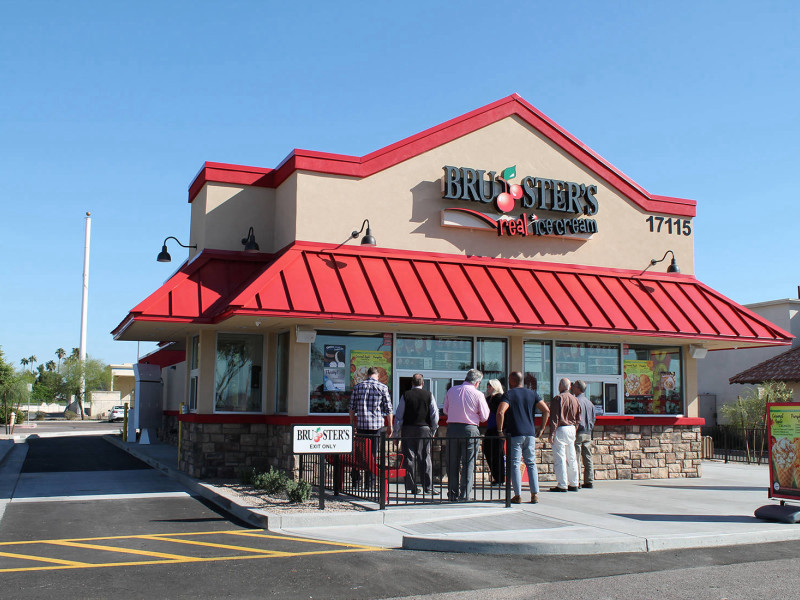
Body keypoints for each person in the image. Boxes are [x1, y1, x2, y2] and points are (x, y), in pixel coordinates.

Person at [496, 371, 550, 504]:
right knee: (531, 463)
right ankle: (534, 494)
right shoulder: (532, 393)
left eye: (509, 379)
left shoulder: (509, 394)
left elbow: (501, 411)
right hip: (530, 433)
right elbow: (546, 410)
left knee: (514, 463)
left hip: (515, 433)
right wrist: (542, 428)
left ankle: (518, 495)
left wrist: (500, 430)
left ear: (512, 380)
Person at [443, 369, 490, 501]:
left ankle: (452, 493)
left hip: (452, 428)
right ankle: (464, 494)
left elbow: (446, 410)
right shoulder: (478, 394)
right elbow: (485, 416)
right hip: (470, 429)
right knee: (468, 463)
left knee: (452, 462)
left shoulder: (452, 390)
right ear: (477, 382)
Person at [349, 366, 393, 488]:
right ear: (377, 376)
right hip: (376, 426)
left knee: (358, 454)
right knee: (372, 454)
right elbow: (388, 409)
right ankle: (370, 482)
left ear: (366, 375)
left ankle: (356, 481)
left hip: (361, 425)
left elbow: (352, 408)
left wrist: (352, 423)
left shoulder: (357, 387)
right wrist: (390, 426)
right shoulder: (383, 388)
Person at [395, 373, 438, 494]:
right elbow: (434, 415)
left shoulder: (406, 395)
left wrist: (396, 433)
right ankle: (428, 487)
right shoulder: (428, 395)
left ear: (412, 383)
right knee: (425, 457)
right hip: (424, 429)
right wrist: (433, 430)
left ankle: (412, 487)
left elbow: (399, 415)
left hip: (408, 429)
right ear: (423, 383)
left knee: (409, 458)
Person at [547, 377, 581, 492]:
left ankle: (562, 484)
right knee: (572, 457)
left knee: (560, 458)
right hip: (571, 429)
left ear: (561, 386)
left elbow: (554, 418)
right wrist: (574, 428)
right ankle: (574, 483)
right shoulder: (575, 399)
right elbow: (578, 418)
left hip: (561, 429)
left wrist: (552, 433)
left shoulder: (558, 398)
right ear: (569, 387)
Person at [572, 379, 596, 488]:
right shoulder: (589, 402)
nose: (572, 387)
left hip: (578, 432)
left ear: (578, 388)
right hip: (588, 432)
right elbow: (594, 418)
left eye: (574, 386)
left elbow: (573, 417)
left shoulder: (576, 401)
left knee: (576, 457)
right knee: (587, 457)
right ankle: (589, 480)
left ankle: (577, 480)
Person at [482, 379, 506, 485]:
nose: (488, 388)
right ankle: (496, 476)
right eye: (487, 386)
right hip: (490, 428)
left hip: (498, 429)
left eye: (490, 386)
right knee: (488, 451)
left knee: (497, 454)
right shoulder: (488, 399)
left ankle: (500, 478)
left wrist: (501, 429)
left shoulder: (500, 398)